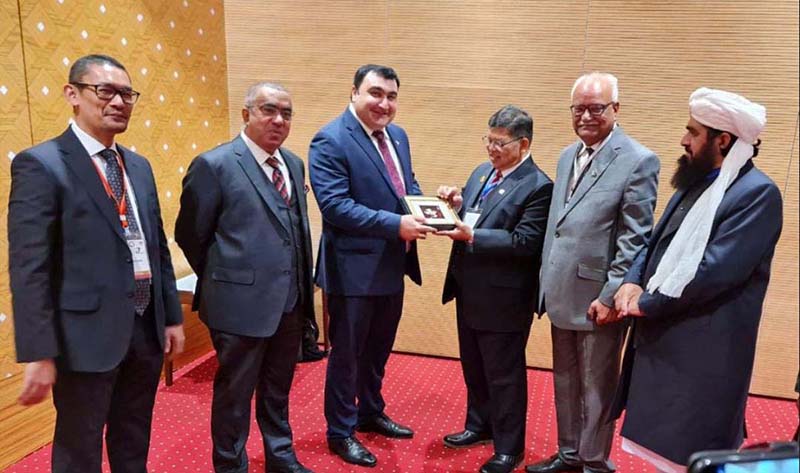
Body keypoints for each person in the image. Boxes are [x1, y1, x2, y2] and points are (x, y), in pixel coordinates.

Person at [8, 54, 185, 473]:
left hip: (144, 327)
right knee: (79, 446)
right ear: (73, 94)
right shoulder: (42, 164)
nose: (119, 101)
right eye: (105, 91)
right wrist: (39, 351)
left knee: (133, 434)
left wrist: (172, 316)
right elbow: (29, 267)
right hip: (83, 337)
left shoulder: (137, 166)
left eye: (127, 94)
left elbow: (154, 246)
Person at [611, 87, 782, 472]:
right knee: (664, 453)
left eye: (693, 131)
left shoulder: (757, 195)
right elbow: (655, 241)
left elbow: (713, 272)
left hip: (704, 354)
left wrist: (646, 303)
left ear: (723, 140)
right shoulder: (698, 181)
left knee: (694, 457)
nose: (684, 140)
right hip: (667, 340)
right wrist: (632, 281)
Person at [175, 82, 315, 473]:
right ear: (245, 114)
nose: (278, 120)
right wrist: (227, 279)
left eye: (286, 113)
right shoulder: (215, 165)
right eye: (268, 110)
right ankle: (230, 464)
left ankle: (280, 455)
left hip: (289, 300)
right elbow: (190, 234)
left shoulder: (292, 163)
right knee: (234, 394)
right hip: (237, 307)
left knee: (277, 388)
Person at [530, 72, 660, 473]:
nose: (586, 116)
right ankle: (569, 454)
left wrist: (609, 295)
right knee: (566, 382)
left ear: (615, 109)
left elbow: (634, 238)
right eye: (579, 108)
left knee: (597, 387)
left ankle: (594, 462)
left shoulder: (638, 159)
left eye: (596, 108)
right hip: (560, 291)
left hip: (597, 299)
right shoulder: (567, 155)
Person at [309, 64, 434, 468]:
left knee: (378, 350)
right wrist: (397, 224)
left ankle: (370, 411)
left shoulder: (397, 136)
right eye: (376, 93)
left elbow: (405, 187)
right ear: (354, 92)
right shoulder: (330, 139)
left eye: (392, 96)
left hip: (391, 266)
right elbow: (335, 206)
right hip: (351, 272)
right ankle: (340, 431)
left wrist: (435, 206)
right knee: (346, 355)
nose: (384, 104)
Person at [436, 106, 553, 473]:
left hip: (504, 298)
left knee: (505, 376)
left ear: (524, 144)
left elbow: (525, 242)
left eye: (500, 143)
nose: (491, 148)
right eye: (488, 139)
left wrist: (472, 234)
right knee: (474, 367)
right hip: (469, 289)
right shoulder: (482, 172)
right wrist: (455, 206)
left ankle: (509, 447)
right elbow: (474, 214)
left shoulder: (538, 186)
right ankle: (479, 425)